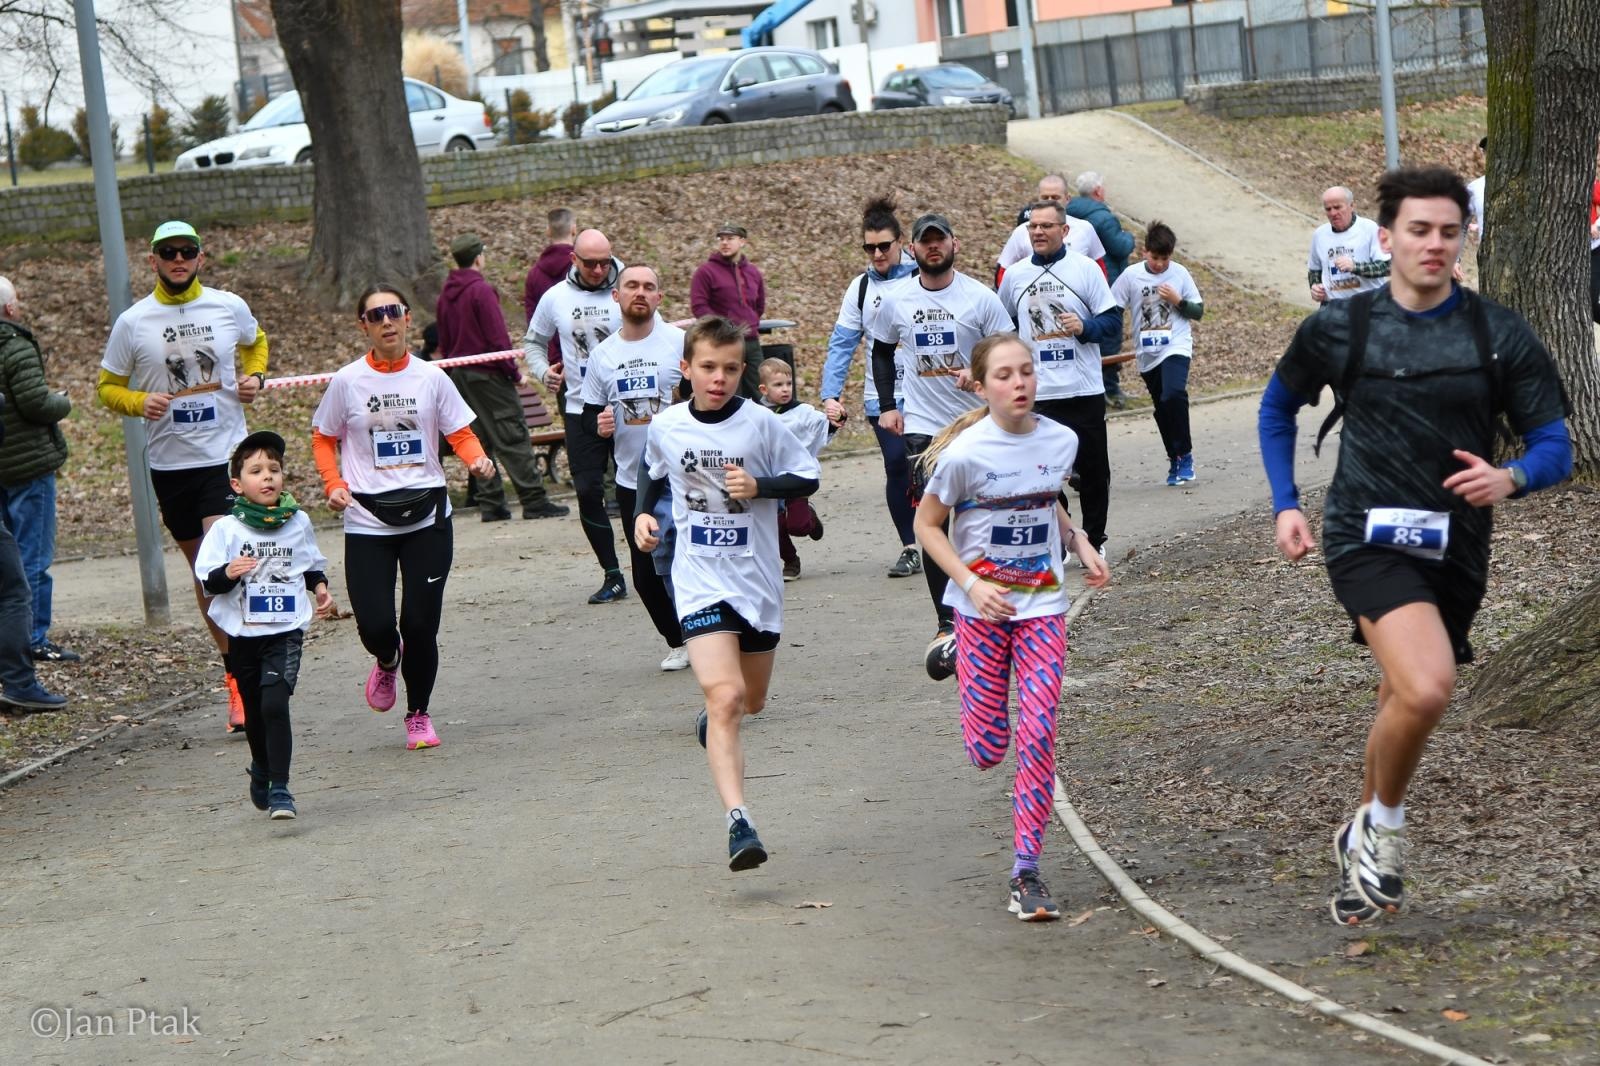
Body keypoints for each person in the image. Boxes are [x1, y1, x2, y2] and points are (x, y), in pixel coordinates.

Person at [1259, 166, 1572, 926]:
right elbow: (1277, 409)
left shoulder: (1497, 333)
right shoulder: (1343, 326)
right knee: (1429, 686)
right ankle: (1385, 831)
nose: (1433, 244)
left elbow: (1556, 444)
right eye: (1418, 230)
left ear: (1464, 237)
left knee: (1402, 691)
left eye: (1448, 231)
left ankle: (1355, 833)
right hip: (1363, 535)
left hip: (1457, 546)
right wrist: (1286, 505)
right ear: (1386, 236)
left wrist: (1514, 477)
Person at [914, 333, 1110, 921]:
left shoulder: (1061, 439)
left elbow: (1045, 498)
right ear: (980, 384)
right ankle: (955, 650)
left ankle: (1026, 871)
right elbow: (928, 527)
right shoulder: (965, 455)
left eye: (1026, 371)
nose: (1019, 382)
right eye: (1004, 374)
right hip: (980, 611)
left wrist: (1078, 541)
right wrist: (970, 586)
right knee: (987, 750)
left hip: (1043, 606)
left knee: (1039, 733)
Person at [636, 316, 821, 871]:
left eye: (731, 369)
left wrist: (761, 486)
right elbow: (652, 472)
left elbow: (807, 475)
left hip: (757, 582)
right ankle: (739, 821)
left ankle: (721, 719)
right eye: (708, 368)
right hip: (698, 580)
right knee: (724, 698)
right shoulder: (667, 426)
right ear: (686, 369)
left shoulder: (762, 424)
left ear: (743, 372)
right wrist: (645, 515)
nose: (718, 378)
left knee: (751, 701)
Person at [97, 220, 270, 733]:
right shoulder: (133, 322)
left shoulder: (226, 304)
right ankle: (235, 674)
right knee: (206, 575)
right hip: (171, 464)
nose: (178, 259)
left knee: (223, 548)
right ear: (152, 260)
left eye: (187, 251)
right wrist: (137, 401)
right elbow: (107, 386)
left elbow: (255, 341)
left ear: (201, 256)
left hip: (224, 456)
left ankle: (253, 664)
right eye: (168, 253)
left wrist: (255, 376)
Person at [312, 284, 496, 751]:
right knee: (377, 627)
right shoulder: (347, 381)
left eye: (394, 312)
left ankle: (418, 714)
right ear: (364, 326)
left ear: (408, 319)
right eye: (376, 315)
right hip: (368, 521)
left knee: (420, 624)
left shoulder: (431, 377)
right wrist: (334, 484)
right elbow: (322, 437)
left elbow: (459, 432)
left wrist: (475, 460)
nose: (387, 321)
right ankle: (387, 659)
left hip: (428, 517)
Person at [869, 212, 1013, 681]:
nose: (933, 248)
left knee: (984, 514)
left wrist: (982, 373)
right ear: (912, 250)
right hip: (925, 429)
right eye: (925, 242)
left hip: (976, 421)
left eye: (940, 240)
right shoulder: (897, 300)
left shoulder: (979, 297)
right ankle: (946, 622)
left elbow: (1008, 350)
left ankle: (994, 604)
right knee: (933, 519)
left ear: (954, 244)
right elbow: (882, 350)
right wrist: (889, 405)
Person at [195, 431, 337, 820]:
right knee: (256, 711)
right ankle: (260, 765)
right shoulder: (226, 529)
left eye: (274, 469)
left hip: (285, 630)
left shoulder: (298, 521)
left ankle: (281, 787)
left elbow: (309, 565)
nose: (268, 477)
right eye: (256, 470)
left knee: (275, 704)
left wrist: (320, 589)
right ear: (237, 485)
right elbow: (208, 580)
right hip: (243, 631)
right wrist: (228, 572)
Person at [996, 200, 1122, 555]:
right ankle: (1066, 539)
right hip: (1038, 392)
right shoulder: (1016, 276)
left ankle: (1094, 540)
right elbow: (1001, 328)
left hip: (1083, 388)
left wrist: (1085, 327)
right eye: (1032, 226)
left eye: (1046, 226)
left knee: (1094, 472)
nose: (1037, 232)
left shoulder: (1084, 270)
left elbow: (1112, 322)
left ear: (1064, 231)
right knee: (1041, 474)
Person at [580, 264, 689, 671]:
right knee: (645, 577)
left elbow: (711, 398)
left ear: (660, 297)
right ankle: (679, 640)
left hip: (684, 474)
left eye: (648, 287)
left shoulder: (680, 343)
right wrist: (599, 425)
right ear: (617, 295)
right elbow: (590, 418)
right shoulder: (603, 355)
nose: (640, 293)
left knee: (690, 560)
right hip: (634, 482)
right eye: (631, 286)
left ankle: (707, 634)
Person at [820, 194, 923, 580]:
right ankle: (911, 546)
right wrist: (831, 393)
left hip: (926, 393)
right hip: (882, 396)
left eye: (885, 246)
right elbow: (842, 342)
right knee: (897, 465)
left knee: (930, 467)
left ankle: (944, 538)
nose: (878, 254)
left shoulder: (921, 277)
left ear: (901, 243)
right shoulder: (860, 288)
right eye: (870, 247)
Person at [523, 229, 626, 603]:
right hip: (581, 406)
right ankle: (613, 573)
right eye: (590, 263)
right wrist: (543, 372)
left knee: (637, 491)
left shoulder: (629, 284)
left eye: (605, 262)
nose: (599, 270)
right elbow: (533, 342)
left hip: (628, 405)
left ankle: (655, 564)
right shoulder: (555, 298)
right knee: (587, 491)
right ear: (573, 260)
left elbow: (655, 332)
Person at [436, 232, 568, 522]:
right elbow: (497, 338)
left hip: (460, 376)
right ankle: (533, 499)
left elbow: (444, 343)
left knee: (480, 439)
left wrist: (448, 376)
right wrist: (513, 372)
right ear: (478, 257)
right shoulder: (481, 291)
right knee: (512, 435)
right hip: (490, 375)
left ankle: (491, 503)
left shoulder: (446, 294)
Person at [0, 276, 78, 663]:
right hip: (28, 467)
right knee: (32, 558)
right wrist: (62, 402)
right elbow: (34, 402)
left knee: (7, 559)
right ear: (10, 308)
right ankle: (32, 638)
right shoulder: (14, 346)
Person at [1111, 221, 1204, 486]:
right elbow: (1113, 307)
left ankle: (1185, 454)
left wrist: (1178, 301)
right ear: (1144, 252)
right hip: (1147, 350)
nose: (1160, 264)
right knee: (1162, 407)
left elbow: (1197, 312)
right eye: (1155, 258)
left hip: (1175, 344)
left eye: (1165, 258)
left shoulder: (1180, 274)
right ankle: (1173, 458)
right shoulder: (1130, 276)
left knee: (1173, 394)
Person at [758, 357, 832, 581]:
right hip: (770, 479)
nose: (785, 389)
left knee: (797, 527)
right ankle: (791, 561)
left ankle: (807, 516)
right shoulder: (755, 413)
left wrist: (836, 418)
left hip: (797, 476)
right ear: (764, 388)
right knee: (775, 527)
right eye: (778, 385)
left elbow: (823, 426)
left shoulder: (802, 411)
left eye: (788, 384)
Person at [1068, 171, 1138, 407]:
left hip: (1079, 288)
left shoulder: (1069, 212)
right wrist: (1129, 237)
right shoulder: (1102, 218)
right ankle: (1110, 388)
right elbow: (1119, 247)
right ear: (1098, 191)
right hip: (1107, 285)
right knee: (1109, 338)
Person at [689, 222, 766, 399]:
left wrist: (751, 321)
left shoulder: (753, 272)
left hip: (751, 342)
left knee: (761, 392)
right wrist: (723, 328)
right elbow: (699, 306)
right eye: (721, 239)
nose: (724, 243)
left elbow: (759, 306)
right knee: (729, 394)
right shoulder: (706, 272)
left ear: (742, 241)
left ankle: (762, 427)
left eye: (730, 238)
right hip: (722, 342)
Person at [995, 175, 1107, 281]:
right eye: (1045, 197)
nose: (1050, 201)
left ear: (1067, 199)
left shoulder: (1085, 228)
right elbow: (1003, 270)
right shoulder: (1021, 231)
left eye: (1055, 197)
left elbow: (1100, 269)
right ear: (1038, 199)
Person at [1308, 187, 1390, 303]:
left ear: (1351, 206)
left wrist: (1355, 267)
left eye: (1337, 207)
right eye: (1328, 209)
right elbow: (1314, 270)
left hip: (1368, 304)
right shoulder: (1319, 235)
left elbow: (1387, 267)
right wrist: (1315, 287)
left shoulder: (1369, 228)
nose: (1333, 213)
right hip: (1332, 307)